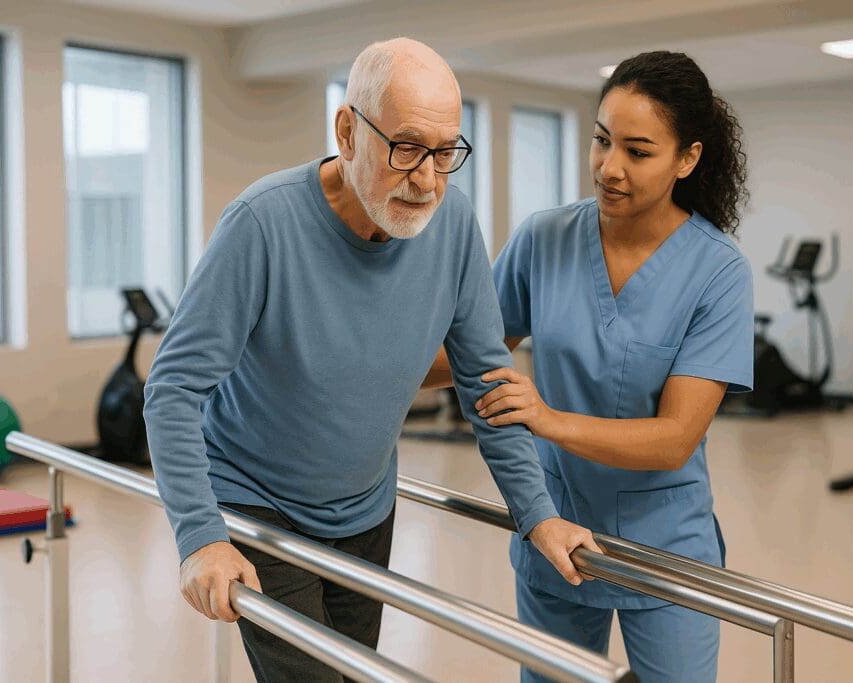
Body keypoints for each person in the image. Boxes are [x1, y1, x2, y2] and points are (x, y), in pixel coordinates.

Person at [143, 37, 600, 683]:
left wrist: (538, 513)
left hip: (365, 508)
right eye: (407, 147)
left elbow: (486, 382)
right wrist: (200, 535)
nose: (427, 179)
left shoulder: (454, 225)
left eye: (446, 153)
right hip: (259, 505)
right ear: (348, 130)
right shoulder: (261, 223)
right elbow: (173, 389)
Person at [424, 50, 753, 682]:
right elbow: (463, 353)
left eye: (638, 150)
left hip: (664, 544)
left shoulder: (717, 272)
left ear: (687, 159)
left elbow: (674, 439)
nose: (609, 167)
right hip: (556, 526)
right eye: (601, 141)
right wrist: (356, 355)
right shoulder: (545, 238)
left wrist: (546, 419)